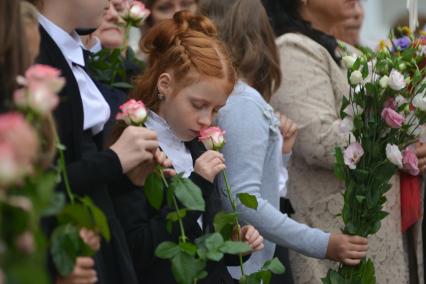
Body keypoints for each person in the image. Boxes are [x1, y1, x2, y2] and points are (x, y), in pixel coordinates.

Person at [200, 0, 369, 283]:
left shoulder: (241, 100)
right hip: (248, 266)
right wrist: (322, 243)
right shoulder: (242, 103)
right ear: (257, 35)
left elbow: (251, 181)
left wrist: (282, 154)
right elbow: (242, 199)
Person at [263, 0, 422, 283]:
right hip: (334, 230)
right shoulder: (293, 50)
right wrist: (402, 144)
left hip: (381, 230)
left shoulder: (346, 49)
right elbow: (317, 140)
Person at [111, 11, 264, 284]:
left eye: (216, 110)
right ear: (165, 85)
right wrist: (197, 183)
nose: (206, 120)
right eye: (198, 105)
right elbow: (137, 248)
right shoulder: (136, 146)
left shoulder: (196, 148)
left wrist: (233, 245)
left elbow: (205, 244)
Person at [35, 0, 170, 283]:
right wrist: (114, 160)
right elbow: (40, 184)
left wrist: (127, 174)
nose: (114, 3)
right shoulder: (33, 52)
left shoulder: (63, 48)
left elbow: (82, 174)